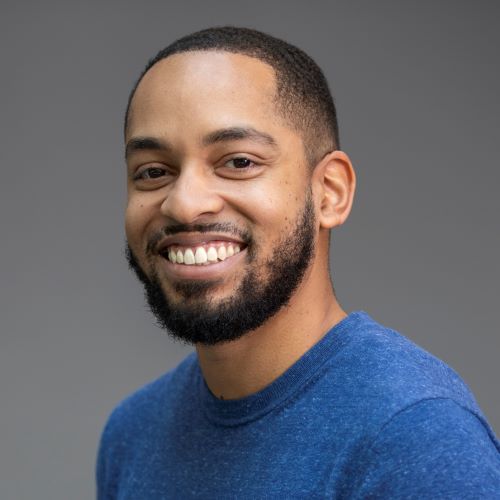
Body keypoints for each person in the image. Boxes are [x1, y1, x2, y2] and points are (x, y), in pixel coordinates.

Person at [96, 27, 500, 498]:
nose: (184, 204)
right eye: (153, 172)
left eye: (239, 162)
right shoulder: (132, 434)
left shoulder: (415, 439)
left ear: (330, 192)